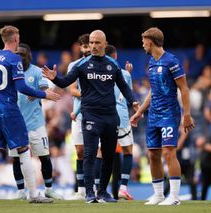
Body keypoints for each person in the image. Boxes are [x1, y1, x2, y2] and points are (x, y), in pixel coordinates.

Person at [42, 30, 138, 203]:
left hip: (110, 116)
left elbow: (124, 87)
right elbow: (65, 82)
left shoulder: (112, 65)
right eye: (91, 42)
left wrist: (134, 102)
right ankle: (89, 193)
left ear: (104, 44)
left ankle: (102, 191)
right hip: (90, 115)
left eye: (96, 43)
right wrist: (55, 78)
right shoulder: (82, 65)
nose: (93, 46)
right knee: (90, 154)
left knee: (109, 155)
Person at [0, 25, 59, 204]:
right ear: (15, 39)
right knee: (24, 151)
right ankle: (34, 194)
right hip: (9, 110)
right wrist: (45, 94)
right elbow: (21, 87)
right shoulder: (14, 59)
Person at [130, 27, 195, 205]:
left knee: (168, 153)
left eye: (144, 41)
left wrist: (186, 114)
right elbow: (153, 90)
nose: (142, 44)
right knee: (153, 154)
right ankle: (158, 194)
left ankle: (174, 196)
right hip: (154, 115)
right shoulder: (151, 62)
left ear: (150, 41)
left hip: (169, 114)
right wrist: (140, 111)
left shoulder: (171, 61)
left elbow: (184, 88)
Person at [10, 43, 63, 200]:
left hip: (35, 122)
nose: (20, 57)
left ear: (29, 56)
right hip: (15, 122)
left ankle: (48, 188)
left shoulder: (37, 72)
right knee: (16, 158)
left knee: (44, 156)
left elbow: (46, 91)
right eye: (18, 54)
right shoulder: (9, 71)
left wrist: (38, 93)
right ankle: (21, 191)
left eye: (23, 55)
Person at [105, 44, 135, 200]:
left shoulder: (99, 73)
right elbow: (129, 97)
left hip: (104, 116)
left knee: (101, 153)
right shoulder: (125, 74)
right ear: (115, 56)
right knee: (128, 151)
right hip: (122, 117)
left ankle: (98, 188)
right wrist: (128, 74)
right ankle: (123, 188)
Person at [68, 33, 90, 200]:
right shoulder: (74, 66)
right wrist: (90, 94)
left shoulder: (101, 64)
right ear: (80, 48)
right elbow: (72, 89)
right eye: (84, 46)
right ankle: (81, 190)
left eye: (88, 45)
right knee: (80, 151)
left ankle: (95, 188)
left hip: (95, 113)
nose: (87, 48)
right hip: (78, 115)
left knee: (95, 152)